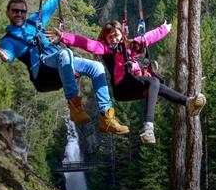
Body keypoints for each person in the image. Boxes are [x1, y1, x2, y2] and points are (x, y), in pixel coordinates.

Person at [0, 0, 128, 135]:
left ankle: (106, 118)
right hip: (43, 73)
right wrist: (5, 56)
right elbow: (7, 53)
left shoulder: (35, 21)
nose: (19, 14)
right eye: (15, 11)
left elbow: (51, 2)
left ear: (26, 13)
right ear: (8, 13)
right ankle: (74, 106)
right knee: (64, 53)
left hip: (60, 65)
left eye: (22, 11)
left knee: (96, 67)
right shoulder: (9, 39)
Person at [47, 20, 206, 144]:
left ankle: (188, 103)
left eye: (116, 35)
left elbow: (147, 38)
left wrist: (164, 29)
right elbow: (87, 43)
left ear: (121, 34)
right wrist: (64, 36)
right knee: (154, 83)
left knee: (157, 85)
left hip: (133, 84)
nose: (114, 39)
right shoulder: (106, 49)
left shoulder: (130, 46)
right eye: (110, 37)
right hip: (122, 87)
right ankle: (148, 127)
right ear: (106, 39)